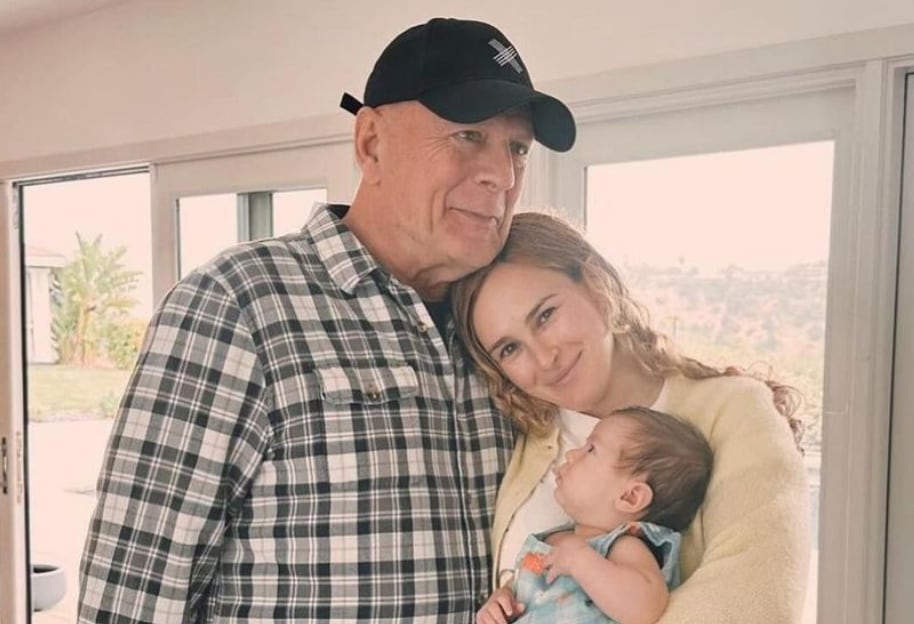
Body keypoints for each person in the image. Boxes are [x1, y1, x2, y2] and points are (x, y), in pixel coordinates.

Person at [77, 18, 576, 623]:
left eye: (518, 148)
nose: (503, 173)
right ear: (371, 143)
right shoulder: (237, 305)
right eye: (469, 135)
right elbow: (133, 597)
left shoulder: (510, 330)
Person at [452, 211, 810, 623]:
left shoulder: (733, 411)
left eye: (546, 315)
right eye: (510, 349)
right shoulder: (529, 440)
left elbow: (756, 604)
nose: (545, 359)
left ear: (596, 286)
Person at [477, 406, 713, 624]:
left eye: (591, 449)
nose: (571, 454)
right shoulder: (553, 537)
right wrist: (502, 599)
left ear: (629, 497)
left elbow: (644, 609)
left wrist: (582, 561)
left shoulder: (623, 546)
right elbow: (525, 585)